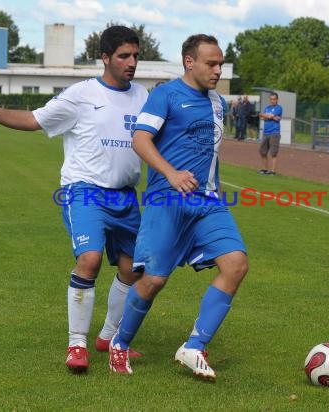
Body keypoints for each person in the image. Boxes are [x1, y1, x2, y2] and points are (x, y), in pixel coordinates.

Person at [0, 26, 148, 373]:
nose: (132, 62)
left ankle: (109, 336)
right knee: (89, 260)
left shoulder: (143, 96)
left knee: (131, 268)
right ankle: (77, 343)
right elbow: (34, 120)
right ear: (105, 57)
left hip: (126, 195)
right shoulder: (80, 94)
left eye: (136, 55)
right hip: (84, 190)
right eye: (124, 55)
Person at [108, 34, 249, 381]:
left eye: (221, 64)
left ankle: (194, 347)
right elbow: (139, 139)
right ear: (189, 62)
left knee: (236, 264)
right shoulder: (166, 95)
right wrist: (170, 173)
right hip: (167, 199)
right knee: (154, 280)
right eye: (211, 64)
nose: (218, 70)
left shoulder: (217, 102)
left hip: (208, 202)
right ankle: (120, 342)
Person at [258, 92, 283, 175]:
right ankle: (264, 169)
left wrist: (267, 116)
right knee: (262, 151)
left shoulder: (279, 108)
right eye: (271, 99)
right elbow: (262, 116)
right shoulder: (267, 108)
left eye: (274, 99)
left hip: (274, 132)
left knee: (273, 153)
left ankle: (273, 171)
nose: (272, 101)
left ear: (277, 99)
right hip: (266, 132)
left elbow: (268, 116)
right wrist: (269, 116)